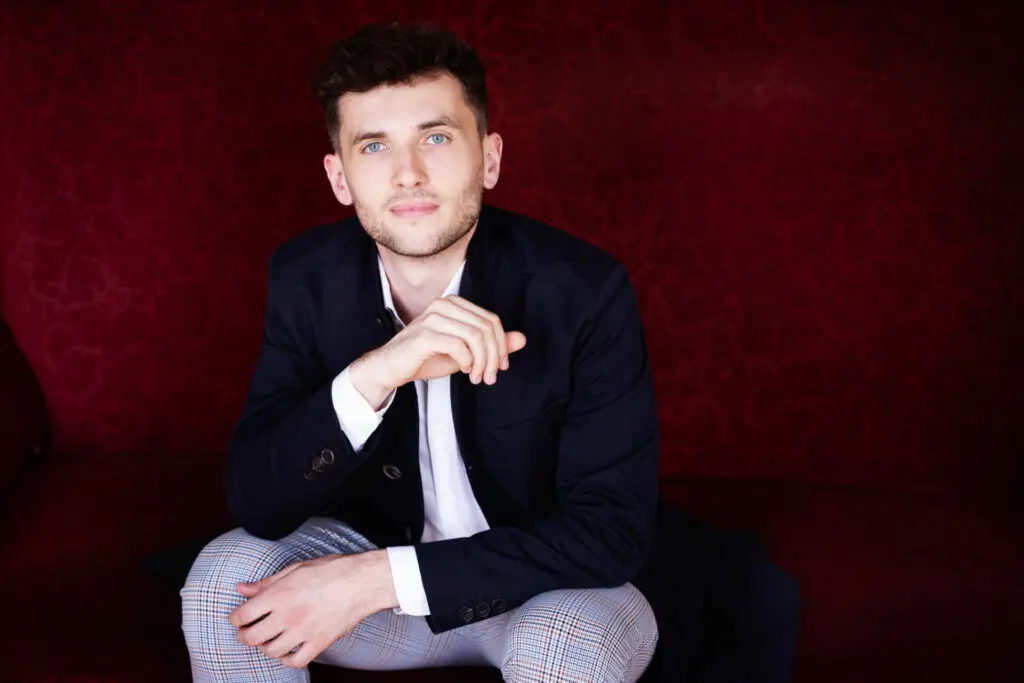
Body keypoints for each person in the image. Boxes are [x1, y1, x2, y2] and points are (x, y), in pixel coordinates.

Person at [180, 23, 800, 683]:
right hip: (381, 595)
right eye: (374, 146)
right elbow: (258, 500)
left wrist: (377, 578)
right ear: (340, 176)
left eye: (436, 138)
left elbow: (608, 535)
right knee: (223, 585)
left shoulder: (583, 291)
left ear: (490, 158)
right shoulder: (306, 278)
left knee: (561, 650)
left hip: (550, 589)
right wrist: (375, 374)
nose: (408, 174)